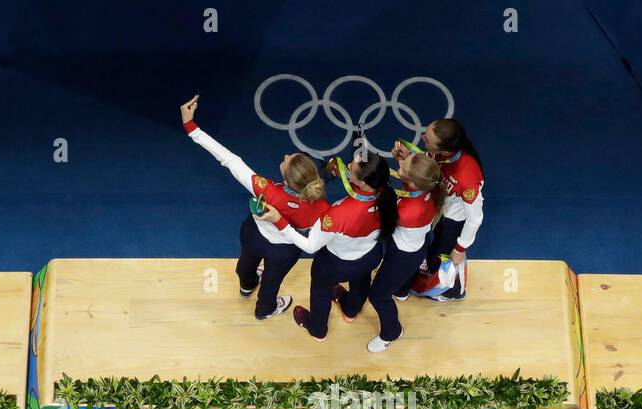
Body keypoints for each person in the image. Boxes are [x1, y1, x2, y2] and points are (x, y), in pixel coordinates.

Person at [180, 95, 328, 319]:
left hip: (253, 236)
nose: (286, 155)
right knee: (271, 283)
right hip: (283, 251)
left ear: (287, 180)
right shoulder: (322, 208)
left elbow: (230, 160)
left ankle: (247, 285)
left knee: (245, 267)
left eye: (287, 160)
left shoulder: (266, 190)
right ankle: (264, 310)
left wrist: (191, 127)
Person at [255, 150, 397, 341]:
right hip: (370, 256)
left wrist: (280, 221)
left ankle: (317, 329)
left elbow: (310, 245)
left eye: (351, 166)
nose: (348, 165)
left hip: (336, 265)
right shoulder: (387, 194)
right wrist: (340, 170)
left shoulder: (338, 213)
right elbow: (361, 167)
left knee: (321, 293)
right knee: (361, 282)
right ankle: (350, 310)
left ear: (363, 181)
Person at [392, 118, 484, 301]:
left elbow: (475, 219)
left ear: (443, 149)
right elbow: (428, 171)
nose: (422, 137)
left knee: (444, 255)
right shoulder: (441, 155)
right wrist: (408, 159)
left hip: (454, 222)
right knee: (433, 253)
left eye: (427, 139)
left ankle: (455, 291)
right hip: (440, 211)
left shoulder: (467, 178)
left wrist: (459, 248)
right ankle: (432, 271)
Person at [362, 152, 444, 351]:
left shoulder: (407, 211)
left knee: (378, 296)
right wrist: (406, 162)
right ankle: (401, 291)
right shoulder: (428, 187)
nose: (398, 167)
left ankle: (392, 332)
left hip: (402, 255)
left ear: (413, 183)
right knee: (402, 278)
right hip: (416, 245)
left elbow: (380, 218)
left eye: (402, 168)